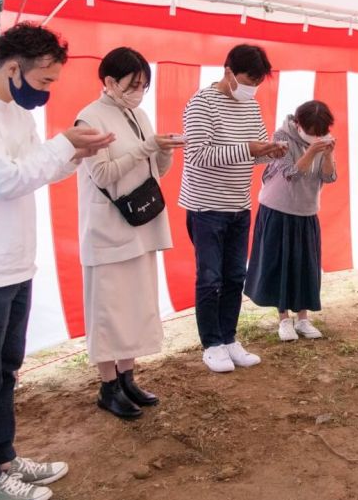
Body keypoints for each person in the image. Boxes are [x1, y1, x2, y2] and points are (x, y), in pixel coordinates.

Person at [0, 23, 114, 500]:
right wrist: (62, 143)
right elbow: (5, 180)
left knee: (5, 371)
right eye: (45, 81)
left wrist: (74, 152)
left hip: (12, 263)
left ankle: (3, 460)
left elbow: (37, 168)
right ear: (13, 67)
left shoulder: (11, 110)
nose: (46, 92)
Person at [75, 47, 186, 420]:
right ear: (109, 81)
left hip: (140, 224)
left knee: (136, 304)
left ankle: (127, 377)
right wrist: (146, 148)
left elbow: (153, 172)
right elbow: (104, 174)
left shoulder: (138, 113)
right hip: (108, 228)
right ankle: (108, 386)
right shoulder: (88, 119)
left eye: (144, 84)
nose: (139, 90)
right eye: (132, 83)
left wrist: (164, 151)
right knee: (109, 309)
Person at [180, 44, 286, 373]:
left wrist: (271, 152)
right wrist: (248, 148)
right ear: (227, 71)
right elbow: (197, 154)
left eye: (257, 81)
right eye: (247, 79)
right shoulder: (201, 103)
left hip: (239, 204)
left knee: (235, 276)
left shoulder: (250, 105)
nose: (252, 87)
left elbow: (253, 151)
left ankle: (229, 338)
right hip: (206, 206)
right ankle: (211, 343)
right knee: (209, 277)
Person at [245, 100, 338, 341]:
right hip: (278, 209)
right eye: (311, 132)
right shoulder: (280, 137)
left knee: (305, 266)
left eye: (320, 133)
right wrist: (310, 152)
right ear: (298, 124)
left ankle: (304, 319)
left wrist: (328, 155)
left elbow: (329, 177)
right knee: (281, 265)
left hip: (306, 211)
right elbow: (290, 174)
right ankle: (284, 319)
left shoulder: (322, 138)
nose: (315, 136)